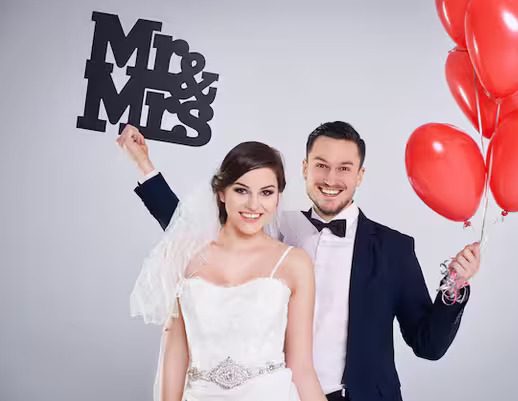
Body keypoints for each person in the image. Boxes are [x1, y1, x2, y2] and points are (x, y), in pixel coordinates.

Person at [119, 121, 480, 401]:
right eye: (321, 165)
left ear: (360, 175)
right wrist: (145, 167)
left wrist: (455, 286)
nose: (331, 179)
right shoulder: (270, 224)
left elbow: (427, 344)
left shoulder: (394, 249)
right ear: (305, 168)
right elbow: (196, 233)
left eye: (344, 168)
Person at [128, 139, 327, 401]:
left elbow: (301, 368)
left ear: (278, 197)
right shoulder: (186, 255)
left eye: (266, 192)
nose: (254, 205)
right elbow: (174, 354)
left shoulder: (295, 264)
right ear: (222, 193)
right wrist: (143, 162)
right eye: (241, 191)